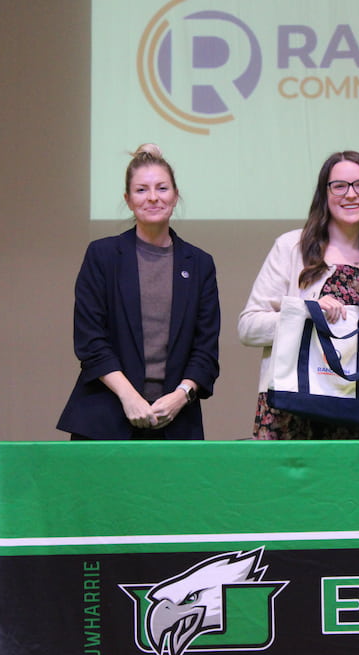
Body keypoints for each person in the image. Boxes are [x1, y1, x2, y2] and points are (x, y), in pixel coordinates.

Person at [238, 150, 359, 439]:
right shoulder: (291, 248)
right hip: (293, 412)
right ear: (324, 194)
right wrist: (306, 313)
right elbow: (248, 328)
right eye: (339, 186)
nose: (350, 194)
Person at [57, 144, 220, 439]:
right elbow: (91, 342)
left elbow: (205, 350)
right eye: (142, 190)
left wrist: (180, 396)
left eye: (162, 188)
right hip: (105, 420)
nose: (153, 197)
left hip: (176, 422)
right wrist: (129, 397)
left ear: (176, 195)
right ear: (128, 200)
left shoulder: (199, 264)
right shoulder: (103, 255)